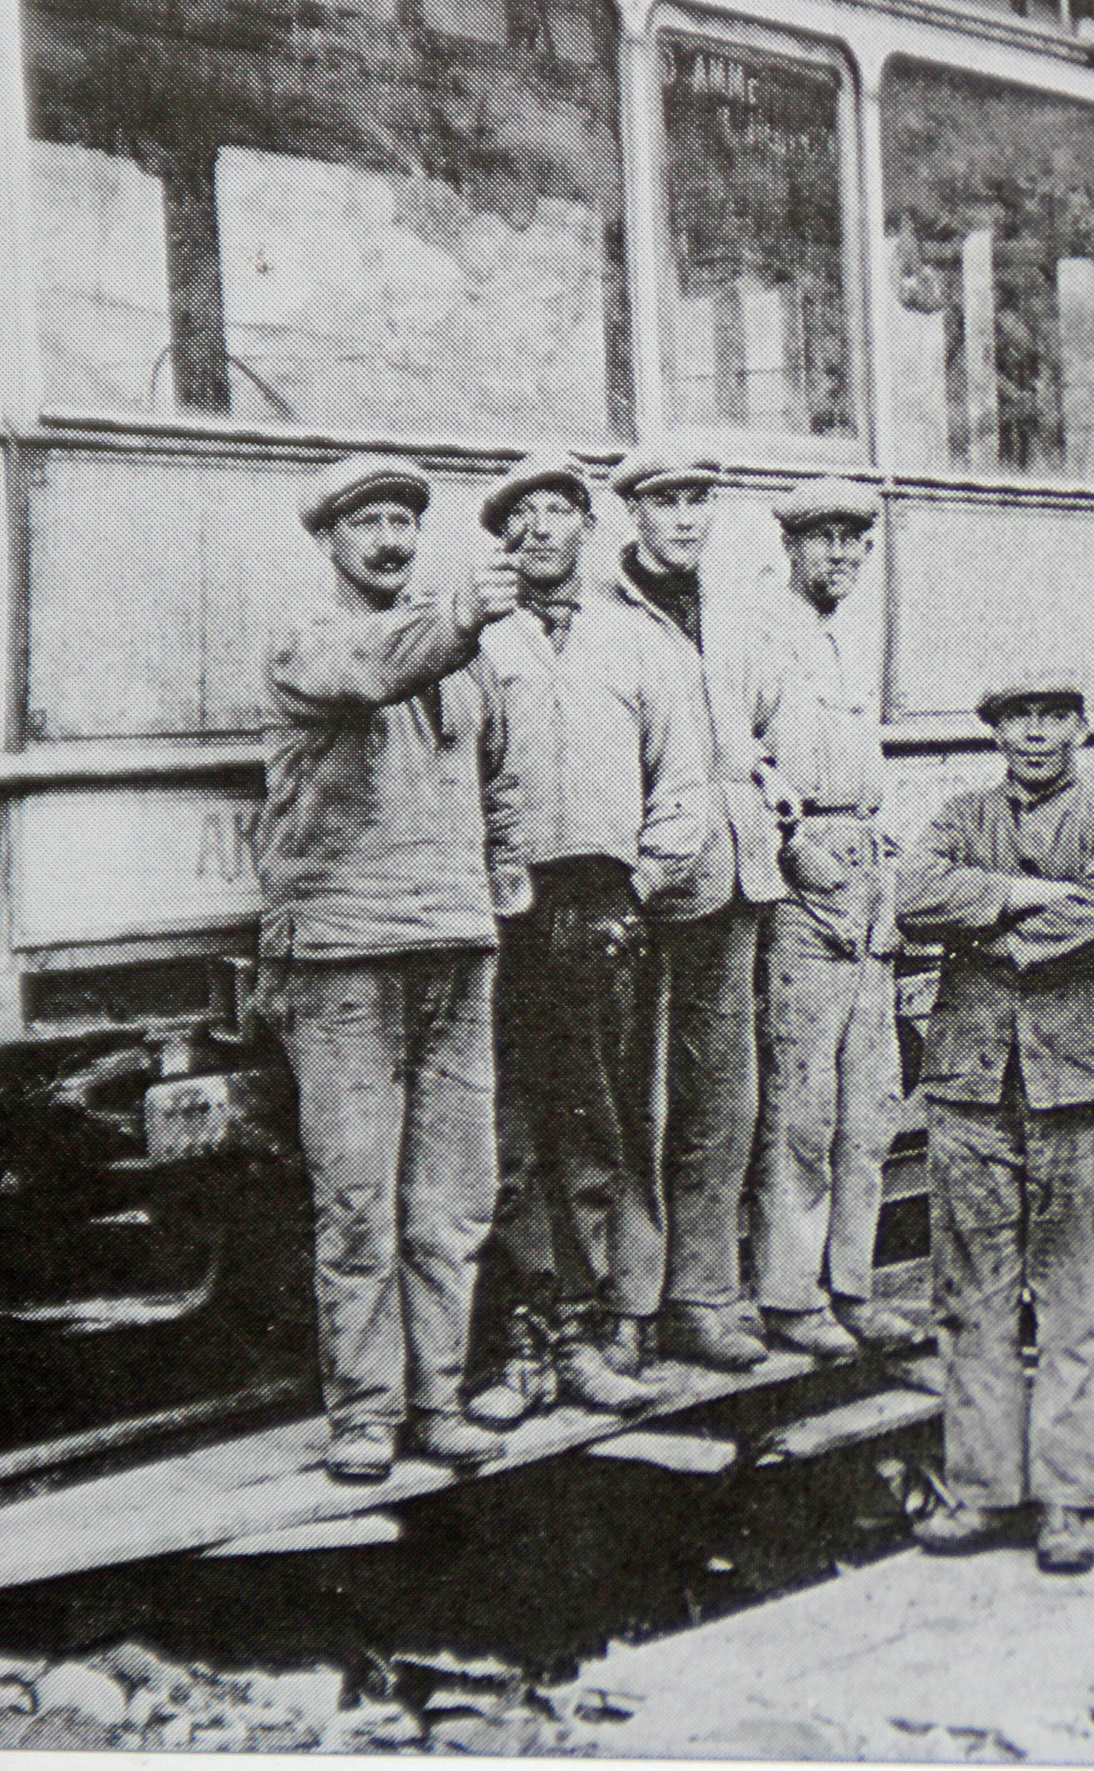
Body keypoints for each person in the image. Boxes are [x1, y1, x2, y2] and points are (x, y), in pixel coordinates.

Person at [256, 455, 518, 1482]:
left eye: (404, 521)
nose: (390, 540)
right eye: (367, 523)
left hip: (455, 942)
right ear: (330, 540)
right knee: (358, 1201)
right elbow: (372, 668)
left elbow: (498, 773)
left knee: (451, 1199)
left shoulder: (457, 650)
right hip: (344, 953)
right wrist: (461, 617)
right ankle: (366, 1416)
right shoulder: (309, 641)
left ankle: (437, 1401)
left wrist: (503, 875)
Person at [467, 454, 711, 1423]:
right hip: (509, 910)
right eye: (520, 515)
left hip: (607, 908)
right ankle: (527, 1341)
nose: (538, 529)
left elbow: (681, 780)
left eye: (557, 510)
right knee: (512, 1127)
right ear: (503, 536)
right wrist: (491, 889)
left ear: (586, 525)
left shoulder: (637, 642)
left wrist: (642, 885)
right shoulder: (479, 643)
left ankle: (602, 1323)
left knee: (601, 1123)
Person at [896, 675, 1094, 1574]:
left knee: (1076, 1295)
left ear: (1081, 727)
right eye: (1018, 720)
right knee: (974, 1297)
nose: (1036, 734)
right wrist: (1022, 894)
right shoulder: (960, 816)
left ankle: (1067, 1499)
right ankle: (982, 1489)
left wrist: (992, 935)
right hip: (972, 1084)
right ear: (996, 732)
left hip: (1079, 1084)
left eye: (1053, 718)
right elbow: (911, 893)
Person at [600, 451, 793, 1373]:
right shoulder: (603, 612)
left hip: (736, 876)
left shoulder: (736, 609)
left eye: (698, 501)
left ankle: (702, 1297)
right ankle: (629, 1305)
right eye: (665, 502)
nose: (684, 517)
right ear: (632, 514)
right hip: (648, 883)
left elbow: (754, 723)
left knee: (724, 1100)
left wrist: (766, 777)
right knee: (637, 1103)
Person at [750, 478, 923, 1361]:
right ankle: (790, 1295)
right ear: (791, 546)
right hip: (805, 884)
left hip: (866, 876)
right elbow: (735, 752)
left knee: (870, 1106)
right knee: (803, 1109)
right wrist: (789, 845)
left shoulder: (846, 641)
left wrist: (883, 866)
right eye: (824, 539)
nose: (842, 555)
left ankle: (852, 1287)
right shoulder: (759, 633)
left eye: (855, 541)